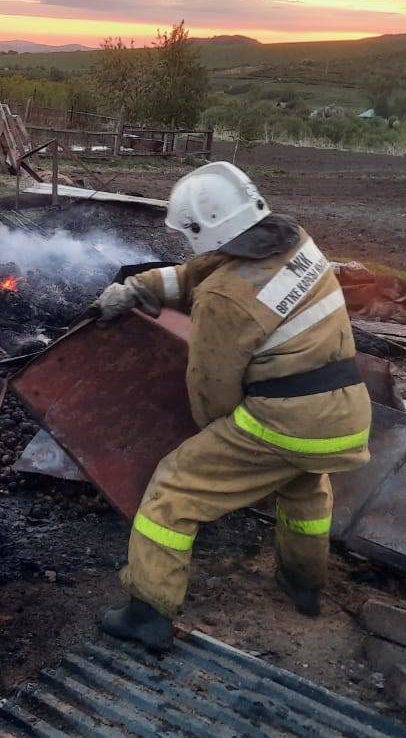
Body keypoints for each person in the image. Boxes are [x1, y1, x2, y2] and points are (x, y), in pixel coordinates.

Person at [94, 161, 371, 652]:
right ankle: (303, 585)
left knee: (175, 489)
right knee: (303, 484)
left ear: (205, 230)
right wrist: (140, 288)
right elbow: (202, 273)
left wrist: (213, 445)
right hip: (344, 412)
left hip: (285, 419)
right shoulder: (293, 241)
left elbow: (212, 389)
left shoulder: (225, 297)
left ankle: (147, 613)